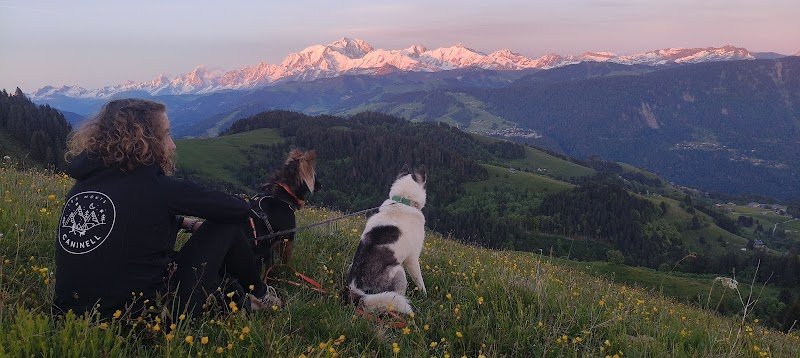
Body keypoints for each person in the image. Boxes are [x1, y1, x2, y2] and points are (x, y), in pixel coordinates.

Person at [54, 98, 279, 319]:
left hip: (69, 315)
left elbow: (133, 215)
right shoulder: (158, 188)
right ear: (144, 142)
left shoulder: (81, 187)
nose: (172, 145)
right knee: (227, 227)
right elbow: (236, 210)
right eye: (166, 135)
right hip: (140, 318)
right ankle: (261, 296)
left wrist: (184, 222)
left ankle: (233, 293)